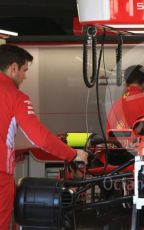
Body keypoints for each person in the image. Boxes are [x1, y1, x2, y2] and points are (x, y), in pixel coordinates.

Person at [0, 44, 88, 229]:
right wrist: (73, 154)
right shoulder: (15, 96)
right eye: (24, 70)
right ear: (13, 68)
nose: (25, 76)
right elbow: (40, 138)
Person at [106, 65, 144, 131]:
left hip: (119, 141)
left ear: (126, 83)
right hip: (141, 141)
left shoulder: (116, 105)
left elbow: (109, 134)